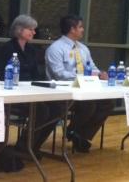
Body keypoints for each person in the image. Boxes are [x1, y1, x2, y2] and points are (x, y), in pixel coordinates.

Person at [0, 14, 64, 158]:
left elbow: (35, 75)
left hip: (30, 92)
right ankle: (23, 146)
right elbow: (2, 76)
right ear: (20, 30)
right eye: (31, 29)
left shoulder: (31, 50)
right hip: (13, 94)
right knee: (42, 110)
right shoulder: (7, 48)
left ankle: (35, 145)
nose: (34, 32)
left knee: (57, 108)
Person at [45, 14, 114, 153]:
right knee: (89, 104)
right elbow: (58, 74)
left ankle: (81, 135)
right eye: (80, 27)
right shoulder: (56, 48)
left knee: (108, 102)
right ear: (72, 29)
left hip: (85, 88)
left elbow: (92, 67)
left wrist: (100, 73)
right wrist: (81, 76)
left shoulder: (83, 48)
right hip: (64, 91)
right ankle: (73, 131)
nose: (83, 30)